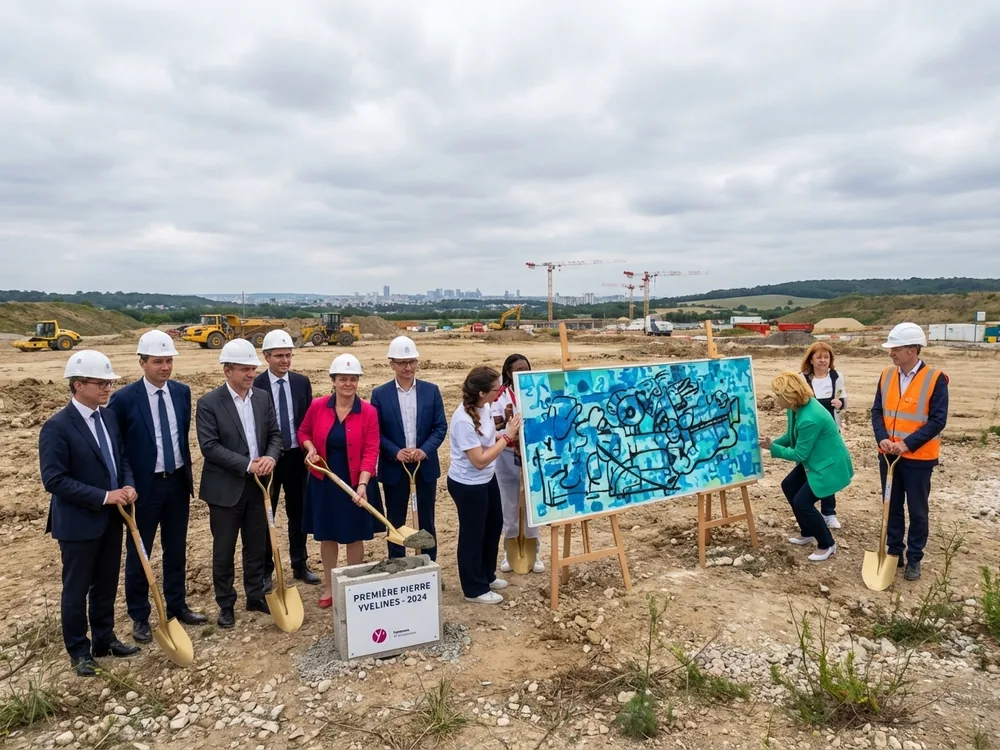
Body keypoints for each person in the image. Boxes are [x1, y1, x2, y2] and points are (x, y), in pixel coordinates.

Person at [39, 350, 140, 676]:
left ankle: (104, 638)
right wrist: (103, 496)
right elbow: (54, 480)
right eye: (101, 383)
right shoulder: (56, 427)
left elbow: (120, 458)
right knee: (76, 588)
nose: (107, 388)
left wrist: (127, 485)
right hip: (78, 523)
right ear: (78, 385)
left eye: (109, 383)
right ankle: (79, 650)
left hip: (112, 518)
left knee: (106, 583)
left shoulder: (108, 417)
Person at [107, 330, 206, 645]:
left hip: (176, 483)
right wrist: (127, 483)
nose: (165, 367)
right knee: (140, 553)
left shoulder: (182, 392)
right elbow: (119, 447)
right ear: (142, 362)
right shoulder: (123, 399)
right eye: (158, 361)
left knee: (176, 550)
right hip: (143, 489)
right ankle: (140, 615)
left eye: (169, 361)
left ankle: (177, 606)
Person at [195, 339, 281, 629]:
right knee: (224, 549)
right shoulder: (208, 403)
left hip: (259, 487)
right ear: (226, 370)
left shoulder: (262, 398)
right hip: (225, 490)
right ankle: (226, 604)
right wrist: (248, 464)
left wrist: (270, 458)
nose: (250, 374)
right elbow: (209, 446)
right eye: (244, 369)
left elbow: (275, 435)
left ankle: (255, 595)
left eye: (252, 369)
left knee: (257, 545)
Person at [299, 353, 380, 608]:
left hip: (356, 481)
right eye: (343, 379)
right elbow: (303, 432)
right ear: (333, 381)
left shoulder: (368, 412)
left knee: (355, 534)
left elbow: (371, 450)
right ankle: (330, 586)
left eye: (353, 379)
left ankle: (353, 585)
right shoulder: (318, 406)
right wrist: (310, 448)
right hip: (325, 481)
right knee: (328, 535)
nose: (348, 384)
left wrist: (363, 484)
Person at [870, 322, 949, 581]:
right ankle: (895, 552)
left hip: (918, 459)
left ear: (913, 350)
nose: (891, 352)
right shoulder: (886, 375)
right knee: (891, 506)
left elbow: (938, 420)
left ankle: (915, 557)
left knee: (917, 510)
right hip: (889, 455)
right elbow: (877, 411)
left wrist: (907, 444)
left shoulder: (936, 379)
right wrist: (882, 438)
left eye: (896, 348)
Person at [759, 372, 854, 562]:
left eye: (778, 395)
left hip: (827, 465)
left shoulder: (810, 417)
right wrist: (771, 443)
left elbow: (799, 454)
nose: (776, 399)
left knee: (803, 502)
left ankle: (827, 544)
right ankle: (808, 530)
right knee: (789, 486)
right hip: (815, 460)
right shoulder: (796, 409)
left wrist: (773, 448)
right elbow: (791, 437)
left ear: (788, 396)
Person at [447, 366, 522, 604]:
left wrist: (505, 434)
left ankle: (486, 575)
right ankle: (474, 588)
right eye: (495, 388)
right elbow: (479, 460)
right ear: (481, 393)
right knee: (473, 534)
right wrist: (508, 437)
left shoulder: (485, 407)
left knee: (493, 525)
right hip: (468, 485)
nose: (499, 391)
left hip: (486, 480)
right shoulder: (463, 420)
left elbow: (489, 438)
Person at [370, 336, 447, 561]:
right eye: (402, 362)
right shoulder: (380, 394)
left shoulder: (431, 391)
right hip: (395, 469)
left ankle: (427, 565)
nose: (408, 367)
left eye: (412, 361)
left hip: (424, 469)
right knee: (396, 522)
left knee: (426, 520)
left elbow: (440, 426)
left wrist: (425, 450)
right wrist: (395, 451)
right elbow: (377, 431)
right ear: (391, 364)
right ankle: (398, 566)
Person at [253, 330, 320, 589]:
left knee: (298, 513)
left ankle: (299, 564)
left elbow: (308, 420)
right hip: (268, 460)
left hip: (295, 457)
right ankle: (266, 570)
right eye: (279, 356)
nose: (285, 361)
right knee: (266, 515)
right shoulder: (256, 384)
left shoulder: (302, 383)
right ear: (266, 356)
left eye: (288, 355)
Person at [491, 354, 544, 574]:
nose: (523, 372)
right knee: (509, 504)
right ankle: (509, 549)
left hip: (532, 456)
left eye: (526, 368)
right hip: (506, 456)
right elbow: (496, 427)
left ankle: (536, 549)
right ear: (507, 373)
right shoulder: (500, 398)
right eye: (517, 369)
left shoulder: (539, 389)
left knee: (533, 504)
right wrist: (513, 439)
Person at [800, 341, 848, 530]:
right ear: (811, 359)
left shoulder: (837, 377)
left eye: (826, 357)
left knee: (827, 473)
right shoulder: (802, 379)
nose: (823, 360)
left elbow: (844, 400)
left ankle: (829, 512)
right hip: (809, 432)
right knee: (808, 471)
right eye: (819, 357)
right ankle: (807, 509)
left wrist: (840, 404)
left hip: (830, 433)